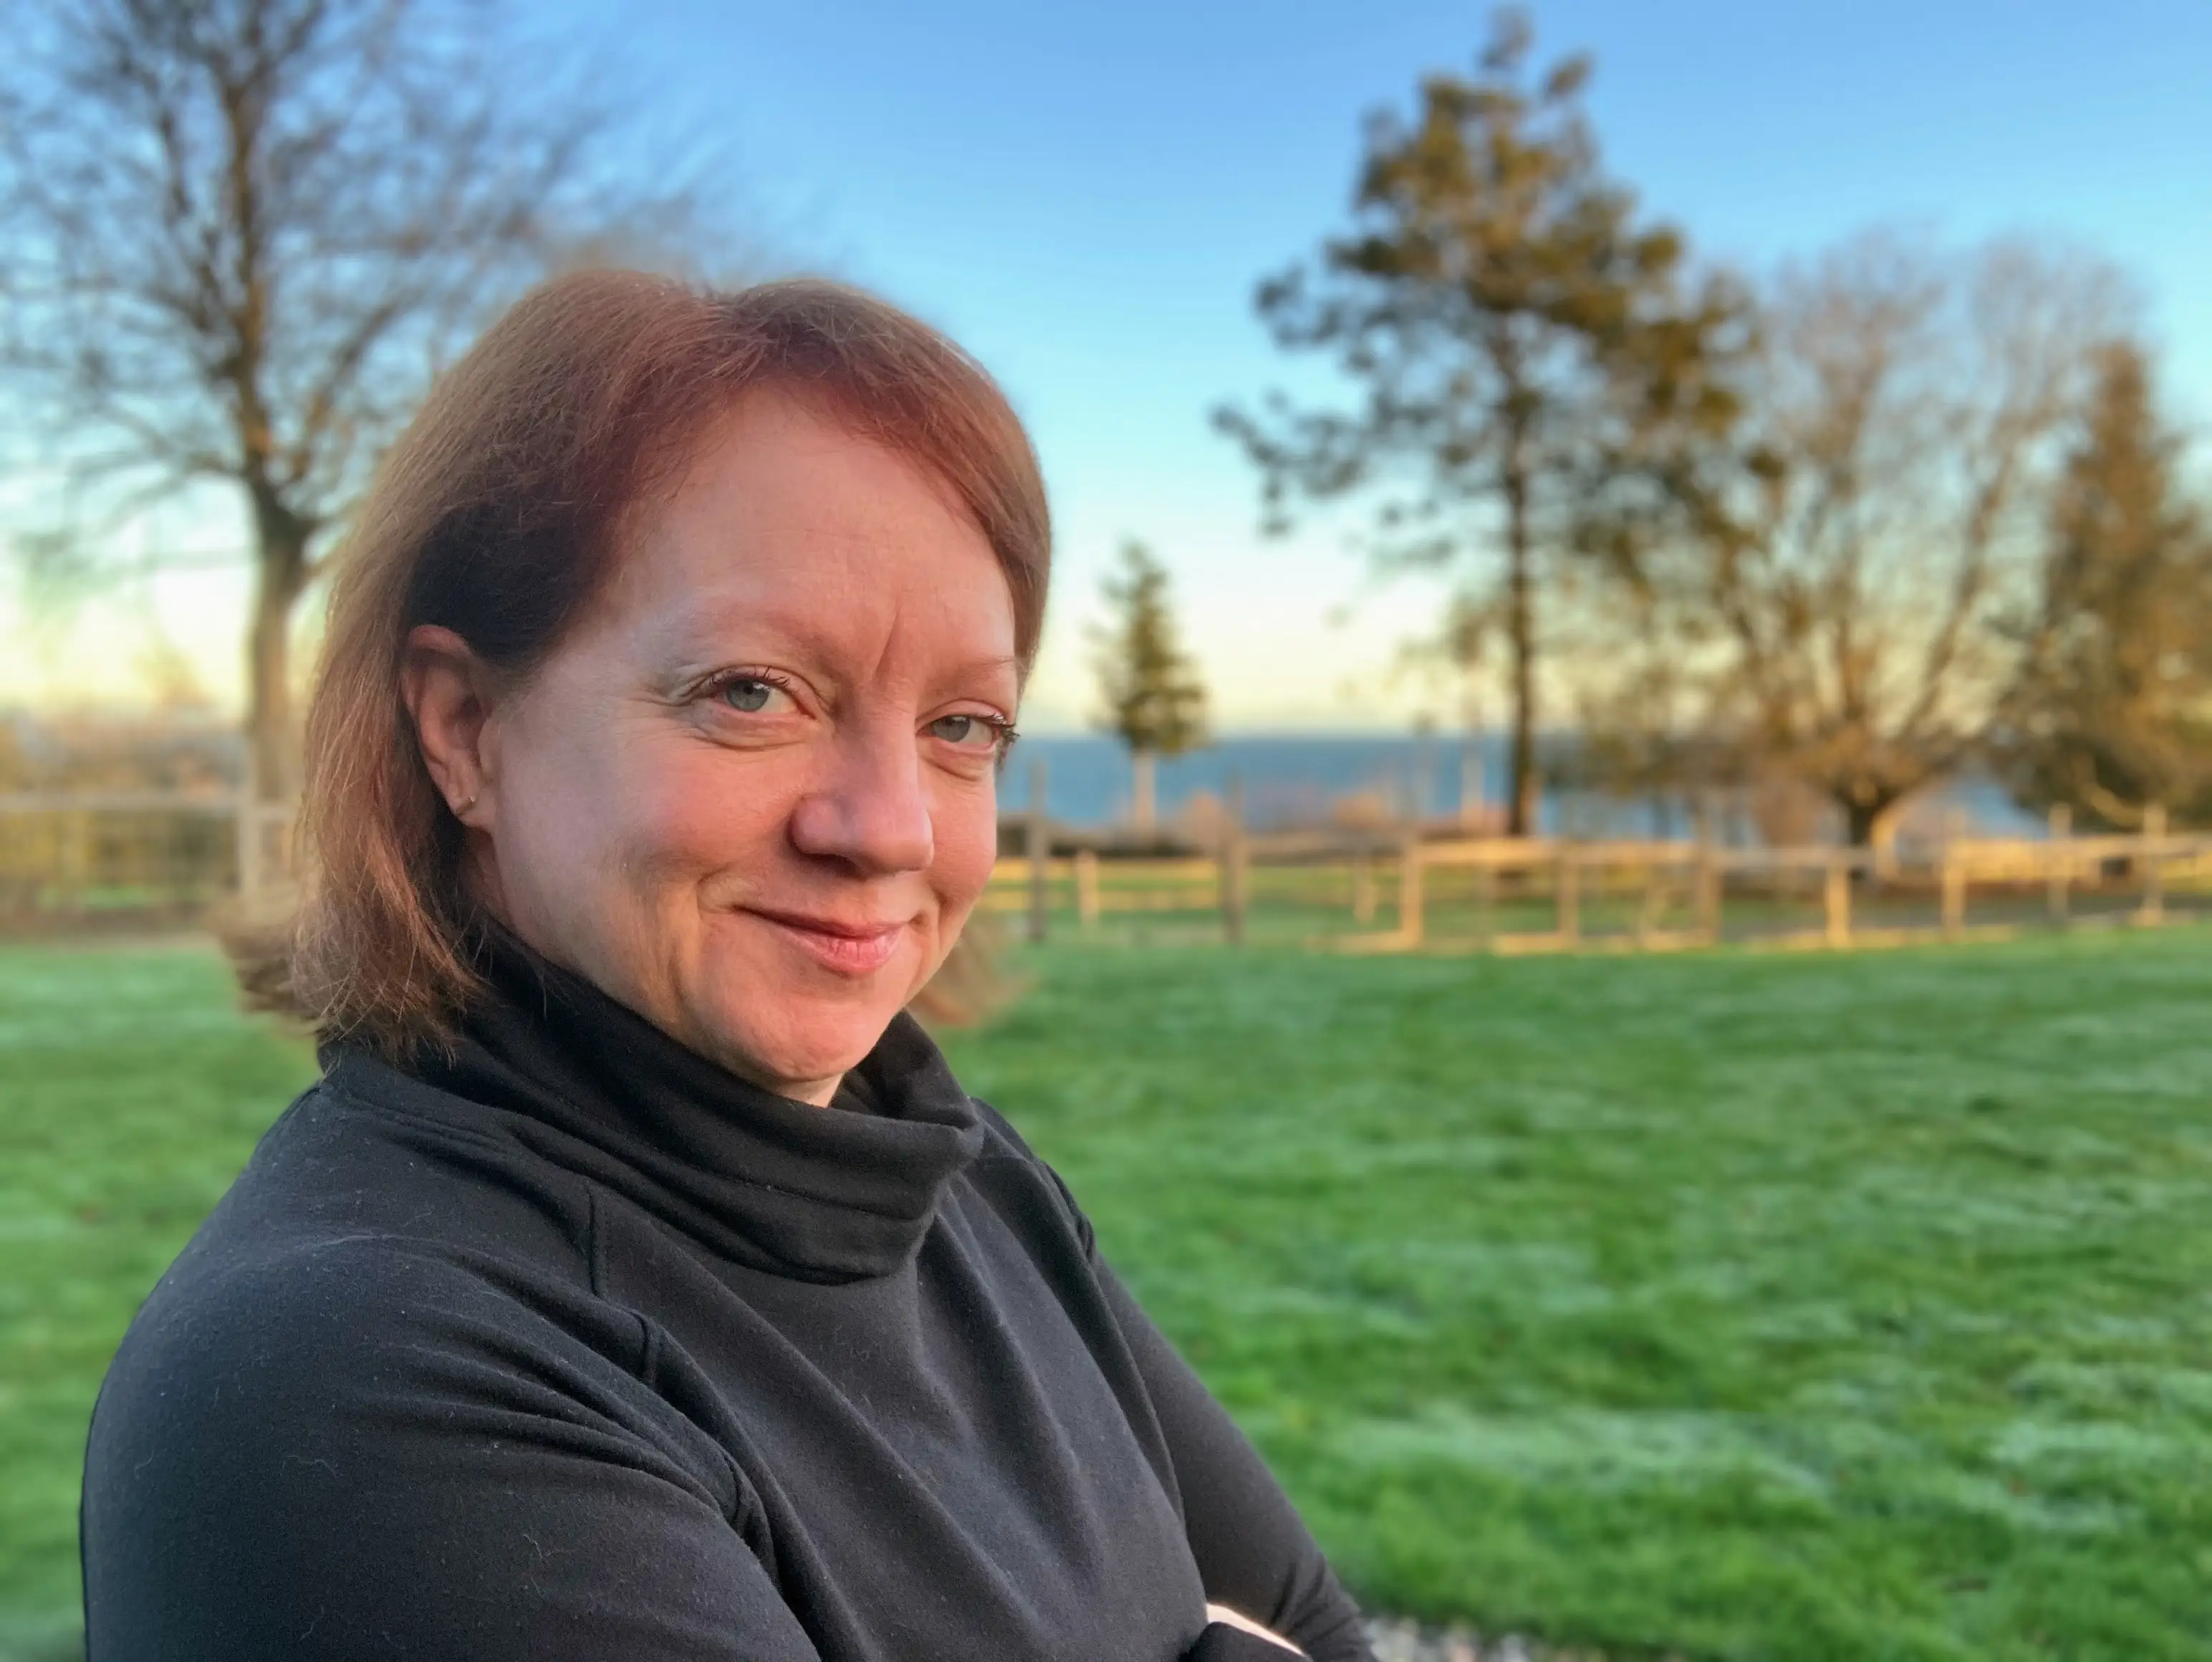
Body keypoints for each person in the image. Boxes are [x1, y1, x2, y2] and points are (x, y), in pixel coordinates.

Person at [80, 272, 1375, 1662]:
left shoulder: (957, 1177)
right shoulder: (357, 1379)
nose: (887, 825)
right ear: (464, 728)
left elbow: (1316, 1622)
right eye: (749, 691)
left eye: (961, 721)